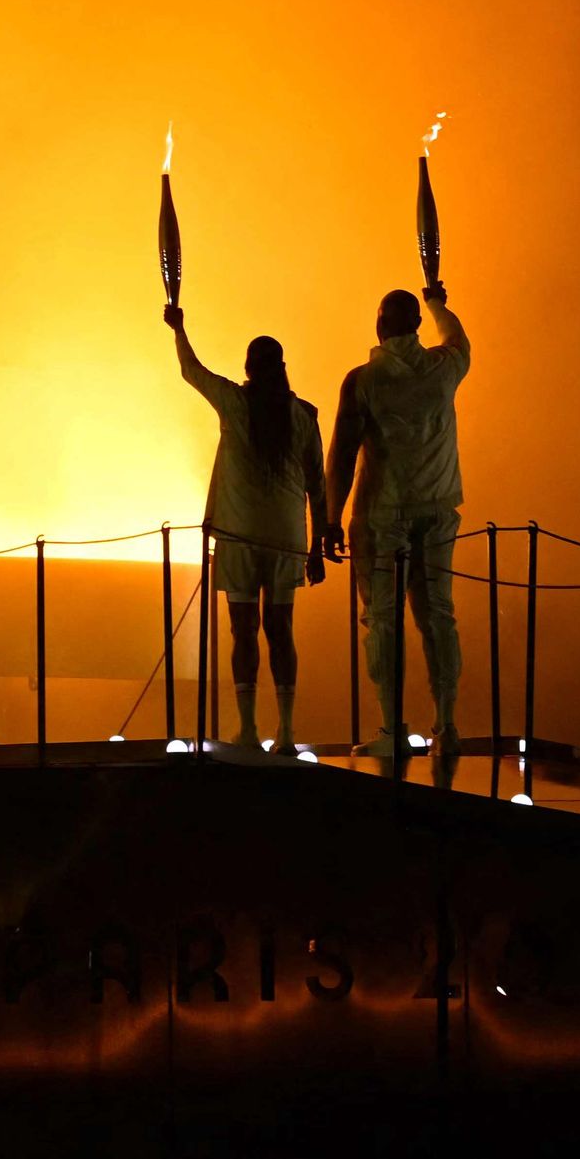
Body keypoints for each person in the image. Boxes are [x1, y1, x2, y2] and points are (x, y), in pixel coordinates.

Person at [168, 300, 328, 753]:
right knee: (281, 629)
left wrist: (179, 327)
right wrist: (316, 546)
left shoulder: (234, 404)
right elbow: (317, 485)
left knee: (243, 630)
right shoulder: (303, 417)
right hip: (286, 540)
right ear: (282, 368)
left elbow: (191, 370)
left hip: (239, 536)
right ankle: (289, 731)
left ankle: (249, 729)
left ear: (248, 369)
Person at [328, 281, 471, 784]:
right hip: (437, 509)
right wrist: (438, 302)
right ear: (415, 324)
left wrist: (327, 517)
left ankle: (392, 727)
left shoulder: (364, 380)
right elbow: (457, 336)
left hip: (383, 515)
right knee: (439, 617)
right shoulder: (444, 368)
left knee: (383, 622)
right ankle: (447, 725)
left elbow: (343, 453)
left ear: (381, 324)